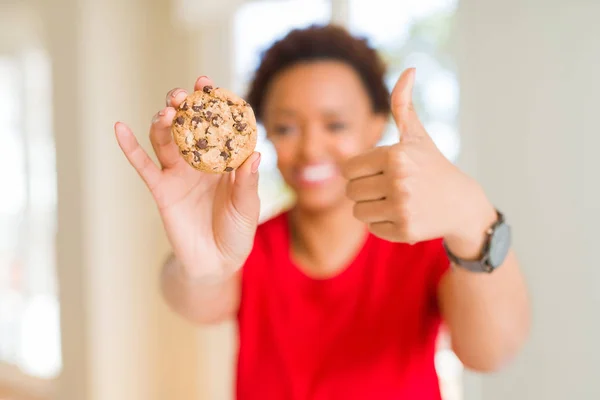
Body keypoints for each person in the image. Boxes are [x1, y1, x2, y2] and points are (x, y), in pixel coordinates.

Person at [114, 25, 530, 400]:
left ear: (375, 123)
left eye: (335, 125)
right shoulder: (246, 245)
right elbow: (192, 299)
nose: (311, 149)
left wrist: (474, 218)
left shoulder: (423, 247)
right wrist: (203, 265)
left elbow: (490, 353)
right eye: (287, 127)